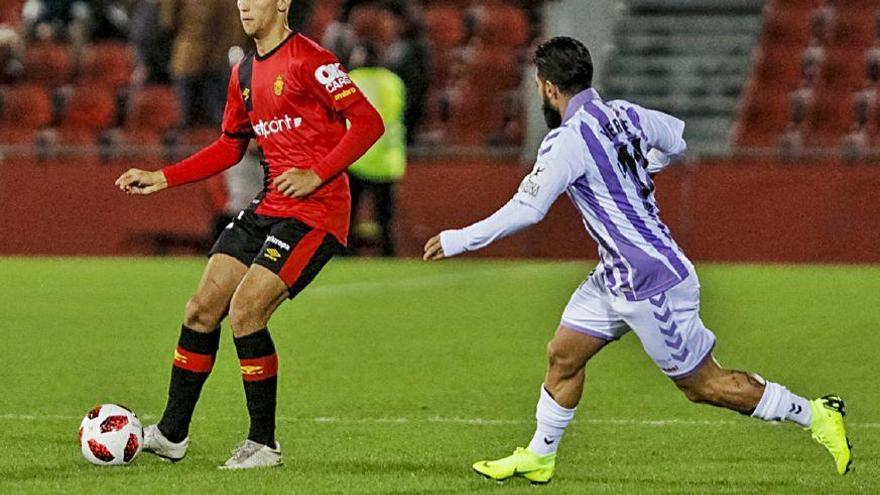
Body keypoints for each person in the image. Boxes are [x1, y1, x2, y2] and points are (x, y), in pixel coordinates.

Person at [423, 37, 852, 483]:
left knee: (704, 385)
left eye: (537, 84)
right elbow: (677, 135)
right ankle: (539, 456)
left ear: (549, 88)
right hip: (616, 275)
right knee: (564, 356)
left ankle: (816, 414)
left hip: (652, 281)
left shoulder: (566, 141)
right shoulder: (625, 114)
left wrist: (460, 239)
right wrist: (647, 165)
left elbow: (529, 209)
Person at [114, 0, 384, 469]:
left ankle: (263, 444)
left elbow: (368, 122)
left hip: (316, 213)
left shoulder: (312, 60)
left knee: (246, 310)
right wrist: (164, 176)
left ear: (282, 2)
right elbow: (229, 146)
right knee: (201, 309)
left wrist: (316, 173)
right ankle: (173, 434)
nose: (243, 4)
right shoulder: (242, 75)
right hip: (269, 208)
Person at [347, 43, 406, 256]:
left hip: (355, 158)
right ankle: (389, 253)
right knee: (385, 218)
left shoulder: (351, 79)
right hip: (386, 160)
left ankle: (344, 253)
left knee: (348, 215)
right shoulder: (393, 81)